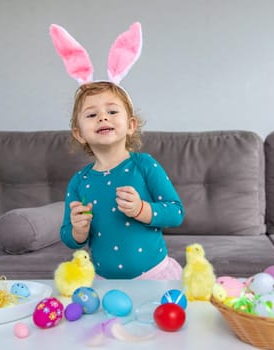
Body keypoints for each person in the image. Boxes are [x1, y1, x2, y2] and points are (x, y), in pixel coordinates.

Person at [50, 23, 185, 279]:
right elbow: (69, 236)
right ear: (79, 133)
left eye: (112, 111)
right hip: (103, 280)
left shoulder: (145, 165)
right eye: (91, 114)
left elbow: (176, 212)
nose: (103, 117)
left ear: (131, 125)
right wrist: (78, 230)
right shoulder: (80, 181)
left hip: (154, 276)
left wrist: (141, 210)